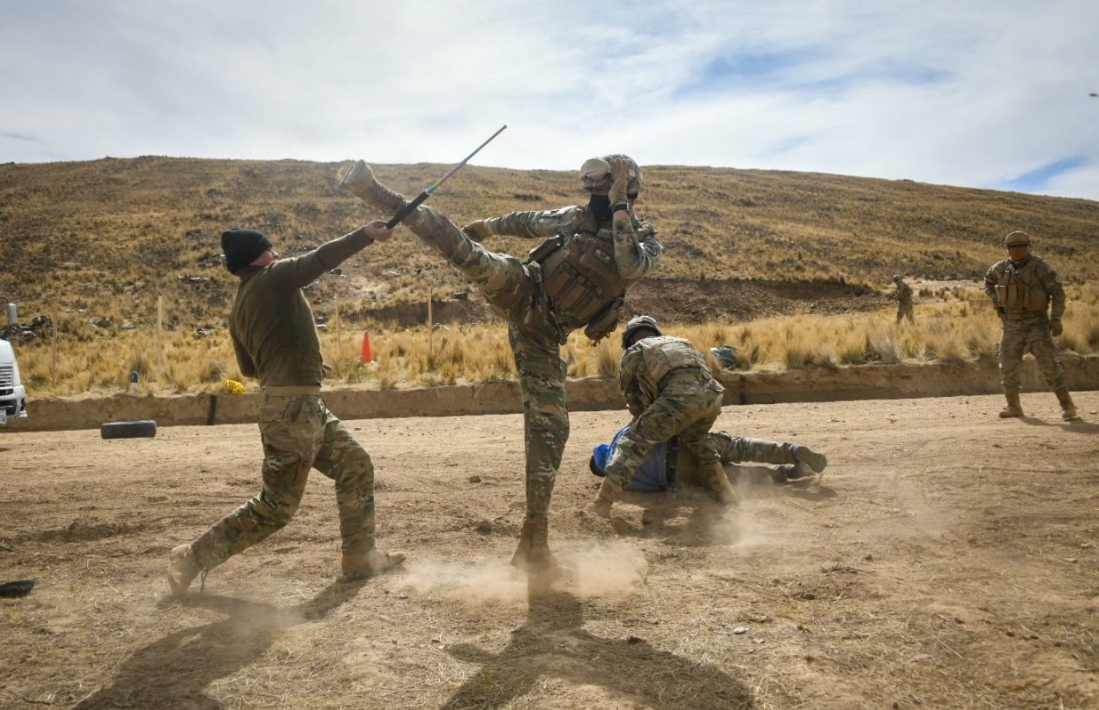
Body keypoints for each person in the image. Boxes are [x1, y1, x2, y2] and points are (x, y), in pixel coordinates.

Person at [341, 155, 662, 587]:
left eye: (607, 191)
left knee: (552, 428)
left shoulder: (645, 242)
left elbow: (627, 264)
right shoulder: (575, 217)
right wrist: (487, 226)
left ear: (630, 192)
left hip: (543, 335)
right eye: (596, 191)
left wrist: (620, 207)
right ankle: (376, 192)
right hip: (523, 286)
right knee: (462, 248)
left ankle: (534, 542)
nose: (598, 199)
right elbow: (528, 220)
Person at [167, 223, 406, 596]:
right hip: (293, 411)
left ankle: (360, 557)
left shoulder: (241, 302)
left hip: (299, 404)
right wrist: (366, 234)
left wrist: (301, 362)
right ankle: (190, 558)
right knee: (276, 506)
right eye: (271, 248)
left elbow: (249, 369)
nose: (277, 252)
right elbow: (320, 260)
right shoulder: (274, 277)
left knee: (356, 465)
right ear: (258, 257)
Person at [588, 315, 734, 519]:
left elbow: (633, 400)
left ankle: (601, 504)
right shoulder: (682, 342)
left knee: (633, 441)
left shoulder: (634, 352)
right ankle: (727, 495)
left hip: (679, 397)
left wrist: (643, 424)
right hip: (713, 396)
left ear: (629, 340)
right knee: (699, 442)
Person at [983, 230, 1079, 421]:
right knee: (1007, 367)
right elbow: (988, 283)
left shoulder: (1040, 267)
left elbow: (1057, 293)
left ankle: (1067, 406)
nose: (1016, 249)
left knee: (1049, 366)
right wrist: (998, 299)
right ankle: (1013, 407)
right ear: (1007, 248)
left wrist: (1056, 319)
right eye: (1011, 246)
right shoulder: (999, 269)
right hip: (1011, 326)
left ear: (1028, 246)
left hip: (1037, 325)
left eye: (1020, 245)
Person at [590, 426, 828, 492]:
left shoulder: (625, 481)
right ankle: (792, 451)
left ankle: (785, 473)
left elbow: (656, 487)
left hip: (676, 472)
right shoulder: (620, 435)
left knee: (734, 476)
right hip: (683, 441)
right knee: (739, 447)